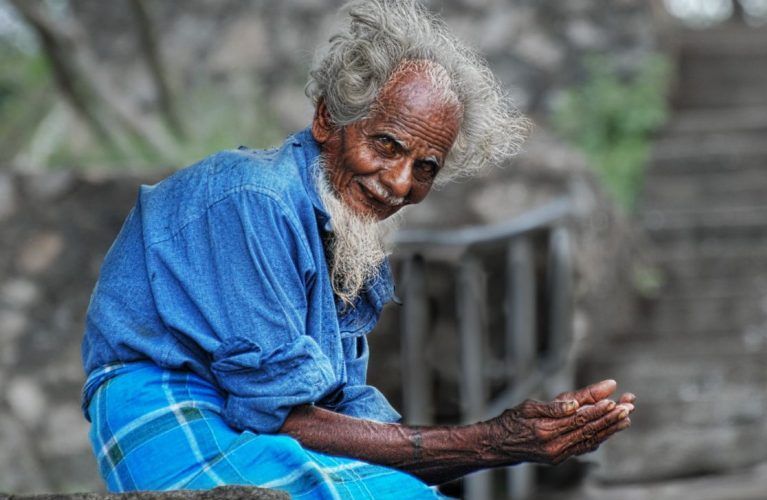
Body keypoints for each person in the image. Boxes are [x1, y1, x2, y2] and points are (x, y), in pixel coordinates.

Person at [80, 0, 635, 497]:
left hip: (248, 416)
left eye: (425, 168)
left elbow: (361, 430)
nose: (398, 183)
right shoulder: (257, 200)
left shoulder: (344, 242)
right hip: (159, 402)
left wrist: (506, 441)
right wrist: (495, 441)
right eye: (386, 145)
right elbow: (283, 416)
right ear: (328, 119)